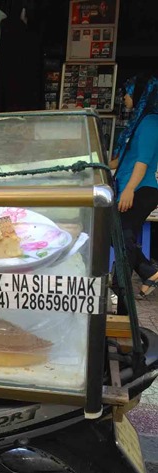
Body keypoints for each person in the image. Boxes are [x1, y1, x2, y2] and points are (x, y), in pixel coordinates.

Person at [111, 75, 158, 310]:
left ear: (140, 95)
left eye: (127, 93)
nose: (125, 98)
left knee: (121, 236)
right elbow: (119, 162)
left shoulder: (150, 122)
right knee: (120, 236)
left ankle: (122, 301)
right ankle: (147, 270)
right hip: (129, 187)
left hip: (141, 189)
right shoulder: (138, 122)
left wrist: (129, 189)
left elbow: (143, 161)